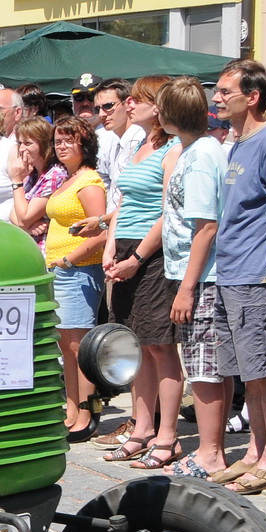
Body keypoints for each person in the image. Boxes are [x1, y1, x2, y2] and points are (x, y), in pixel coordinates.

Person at [208, 60, 266, 495]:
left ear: (254, 96)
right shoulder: (237, 143)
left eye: (226, 91)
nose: (217, 98)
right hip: (230, 272)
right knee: (248, 373)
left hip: (258, 275)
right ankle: (255, 453)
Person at [98, 78, 182, 469]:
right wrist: (112, 245)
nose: (129, 105)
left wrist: (139, 256)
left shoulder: (172, 149)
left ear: (159, 106)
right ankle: (142, 427)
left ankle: (167, 435)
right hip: (126, 246)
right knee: (135, 345)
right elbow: (123, 201)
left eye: (139, 99)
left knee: (160, 346)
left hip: (153, 253)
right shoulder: (136, 145)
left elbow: (169, 211)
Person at [157, 79, 231, 479]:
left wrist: (187, 288)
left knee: (203, 368)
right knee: (210, 366)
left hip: (202, 278)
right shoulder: (192, 149)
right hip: (193, 273)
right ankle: (211, 448)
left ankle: (209, 453)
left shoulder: (202, 155)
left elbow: (206, 226)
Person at [43, 117, 108, 440]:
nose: (62, 146)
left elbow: (100, 233)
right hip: (61, 271)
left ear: (85, 144)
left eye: (70, 140)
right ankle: (71, 409)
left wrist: (69, 259)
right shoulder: (66, 179)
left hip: (80, 270)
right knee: (65, 345)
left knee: (80, 347)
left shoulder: (90, 182)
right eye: (58, 140)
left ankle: (87, 412)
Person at [4, 117, 65, 249]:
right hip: (30, 245)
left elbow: (23, 218)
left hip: (47, 250)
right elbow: (13, 215)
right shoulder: (32, 175)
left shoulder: (55, 175)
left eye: (28, 143)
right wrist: (28, 228)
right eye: (20, 143)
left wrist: (17, 181)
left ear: (43, 145)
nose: (21, 149)